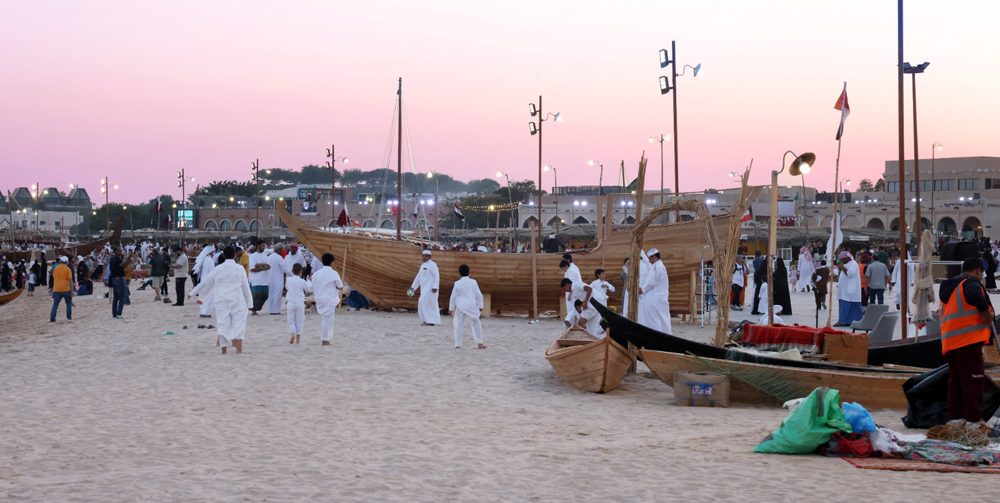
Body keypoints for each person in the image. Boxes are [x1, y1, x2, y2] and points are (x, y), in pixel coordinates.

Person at [939, 258, 995, 422]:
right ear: (978, 271)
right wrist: (986, 313)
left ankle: (955, 422)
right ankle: (972, 424)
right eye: (982, 273)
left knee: (956, 384)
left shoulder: (950, 286)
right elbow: (975, 294)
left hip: (950, 343)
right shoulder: (970, 283)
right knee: (974, 383)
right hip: (968, 342)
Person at [189, 246, 252, 355]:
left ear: (223, 255)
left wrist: (194, 294)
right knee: (239, 323)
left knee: (223, 323)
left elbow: (206, 283)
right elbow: (245, 287)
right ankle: (239, 350)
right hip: (237, 298)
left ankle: (224, 350)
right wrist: (250, 303)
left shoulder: (218, 268)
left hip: (222, 299)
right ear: (235, 255)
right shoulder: (240, 268)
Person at [449, 264, 485, 349]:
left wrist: (451, 308)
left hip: (461, 306)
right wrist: (481, 305)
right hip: (472, 305)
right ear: (469, 272)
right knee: (476, 322)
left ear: (459, 273)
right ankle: (479, 342)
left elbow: (453, 297)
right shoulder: (473, 282)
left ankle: (458, 344)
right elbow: (479, 295)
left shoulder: (457, 283)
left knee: (458, 324)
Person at [312, 252, 344, 346]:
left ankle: (327, 339)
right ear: (331, 263)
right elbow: (340, 286)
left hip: (319, 298)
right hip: (329, 298)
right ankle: (325, 340)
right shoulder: (333, 273)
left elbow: (312, 286)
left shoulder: (316, 274)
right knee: (327, 320)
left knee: (328, 319)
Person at [638, 248, 672, 334]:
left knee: (654, 321)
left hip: (654, 300)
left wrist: (641, 290)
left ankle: (657, 337)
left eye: (650, 258)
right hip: (659, 298)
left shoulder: (657, 267)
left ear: (655, 257)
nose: (649, 261)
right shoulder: (659, 266)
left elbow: (650, 282)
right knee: (662, 319)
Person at [410, 249, 441, 326]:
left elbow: (436, 276)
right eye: (423, 256)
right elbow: (418, 277)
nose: (424, 258)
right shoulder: (422, 265)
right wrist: (413, 287)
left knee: (423, 302)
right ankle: (426, 321)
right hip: (424, 288)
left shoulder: (433, 265)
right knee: (426, 303)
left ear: (429, 257)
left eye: (426, 256)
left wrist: (435, 286)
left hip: (431, 288)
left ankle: (430, 321)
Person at [284, 263, 312, 344]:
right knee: (299, 321)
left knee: (291, 320)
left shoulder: (288, 280)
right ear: (301, 271)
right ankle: (298, 340)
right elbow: (308, 290)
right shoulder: (302, 281)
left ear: (292, 271)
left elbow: (287, 288)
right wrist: (309, 281)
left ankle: (292, 333)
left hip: (290, 302)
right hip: (299, 302)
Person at [834, 251, 863, 326]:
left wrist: (842, 267)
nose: (842, 261)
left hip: (850, 290)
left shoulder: (853, 263)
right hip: (844, 290)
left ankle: (842, 321)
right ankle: (847, 321)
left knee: (847, 306)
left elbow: (850, 274)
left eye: (843, 259)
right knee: (845, 306)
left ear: (847, 258)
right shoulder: (847, 264)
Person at [248, 243, 270, 315]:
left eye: (264, 245)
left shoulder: (265, 255)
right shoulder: (253, 256)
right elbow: (252, 269)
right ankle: (253, 311)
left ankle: (257, 308)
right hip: (255, 280)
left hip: (264, 280)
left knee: (265, 295)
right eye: (262, 245)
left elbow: (268, 266)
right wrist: (264, 268)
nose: (264, 247)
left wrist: (260, 265)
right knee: (255, 296)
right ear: (258, 246)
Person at [195, 245, 217, 318]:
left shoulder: (204, 259)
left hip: (203, 281)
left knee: (203, 296)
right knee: (209, 297)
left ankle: (203, 312)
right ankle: (206, 313)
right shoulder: (209, 260)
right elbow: (212, 272)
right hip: (209, 281)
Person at [50, 256, 73, 323]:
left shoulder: (56, 268)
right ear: (66, 261)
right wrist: (72, 290)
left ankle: (52, 318)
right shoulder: (68, 269)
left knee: (55, 304)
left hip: (56, 289)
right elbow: (70, 280)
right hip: (66, 288)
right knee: (68, 303)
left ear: (61, 261)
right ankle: (69, 317)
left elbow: (54, 276)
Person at [266, 243, 286, 315]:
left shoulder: (269, 257)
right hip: (278, 279)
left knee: (271, 294)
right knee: (277, 295)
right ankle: (276, 310)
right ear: (279, 249)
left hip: (270, 279)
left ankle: (271, 310)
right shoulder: (279, 257)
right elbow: (285, 268)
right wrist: (293, 274)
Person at [109, 247, 127, 319]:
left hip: (114, 279)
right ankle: (119, 313)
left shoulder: (112, 259)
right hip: (119, 278)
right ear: (115, 251)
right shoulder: (117, 259)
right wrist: (129, 258)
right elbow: (123, 265)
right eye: (119, 250)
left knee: (116, 297)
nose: (121, 251)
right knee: (122, 297)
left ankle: (114, 313)